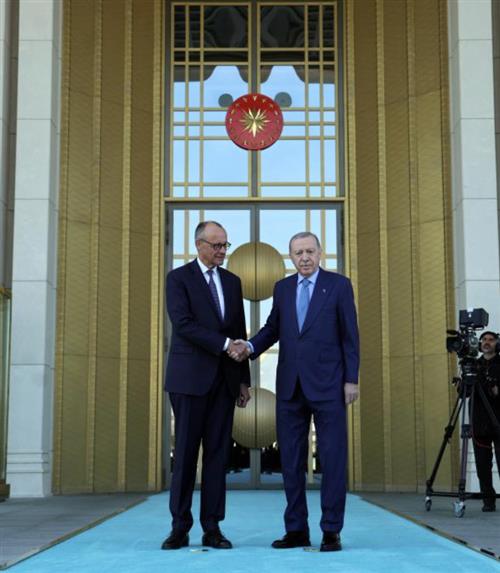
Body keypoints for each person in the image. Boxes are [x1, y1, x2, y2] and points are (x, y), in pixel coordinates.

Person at [230, 231, 359, 552]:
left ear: (320, 253)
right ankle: (296, 529)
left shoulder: (339, 285)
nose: (304, 257)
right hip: (290, 387)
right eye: (298, 253)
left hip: (329, 385)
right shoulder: (283, 288)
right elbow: (273, 328)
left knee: (332, 459)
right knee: (290, 461)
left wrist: (351, 380)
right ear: (291, 257)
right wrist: (249, 346)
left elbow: (350, 336)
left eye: (310, 251)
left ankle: (331, 530)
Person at [162, 221, 251, 550]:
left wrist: (243, 379)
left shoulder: (232, 282)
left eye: (225, 245)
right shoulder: (178, 279)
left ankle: (212, 527)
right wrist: (226, 344)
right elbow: (183, 324)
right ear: (199, 245)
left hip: (225, 382)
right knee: (186, 455)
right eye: (217, 245)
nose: (222, 251)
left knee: (217, 456)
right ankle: (179, 527)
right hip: (189, 380)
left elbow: (239, 329)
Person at [472, 331, 500, 512]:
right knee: (482, 464)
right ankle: (488, 500)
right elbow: (465, 393)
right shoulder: (474, 365)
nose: (487, 342)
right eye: (484, 339)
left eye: (491, 340)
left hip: (498, 419)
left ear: (497, 343)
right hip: (479, 422)